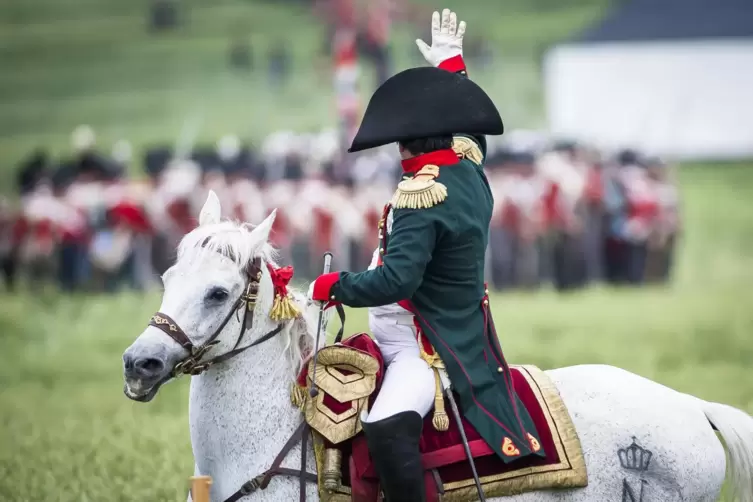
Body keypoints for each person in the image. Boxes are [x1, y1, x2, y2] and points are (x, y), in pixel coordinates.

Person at [307, 9, 545, 502]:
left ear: (403, 142)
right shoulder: (467, 169)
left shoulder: (424, 193)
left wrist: (332, 287)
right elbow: (471, 137)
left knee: (384, 423)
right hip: (436, 327)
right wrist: (451, 67)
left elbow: (396, 282)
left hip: (423, 347)